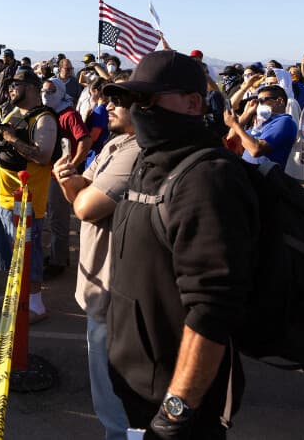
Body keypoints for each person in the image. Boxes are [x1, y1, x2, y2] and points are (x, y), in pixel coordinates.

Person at [102, 50, 256, 438]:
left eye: (149, 98)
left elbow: (211, 310)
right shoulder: (151, 163)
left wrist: (174, 415)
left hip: (178, 408)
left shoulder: (207, 178)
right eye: (133, 99)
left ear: (192, 103)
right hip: (136, 389)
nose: (139, 109)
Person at [52, 74, 139, 440]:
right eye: (108, 97)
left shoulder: (137, 152)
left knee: (119, 407)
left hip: (115, 292)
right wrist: (67, 180)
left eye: (119, 98)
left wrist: (72, 187)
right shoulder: (114, 146)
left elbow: (86, 208)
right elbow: (81, 193)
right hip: (99, 287)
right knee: (108, 398)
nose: (109, 105)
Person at [0, 68, 56, 323]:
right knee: (8, 252)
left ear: (30, 87)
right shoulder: (17, 113)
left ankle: (36, 304)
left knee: (29, 254)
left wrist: (10, 137)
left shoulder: (44, 119)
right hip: (5, 198)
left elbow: (43, 155)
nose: (10, 90)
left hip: (27, 201)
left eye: (14, 85)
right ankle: (14, 294)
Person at [40, 79, 90, 277]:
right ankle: (57, 254)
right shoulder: (48, 113)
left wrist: (73, 164)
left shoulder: (68, 114)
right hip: (48, 172)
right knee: (52, 216)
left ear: (60, 92)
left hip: (60, 175)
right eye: (43, 90)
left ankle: (58, 262)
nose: (46, 94)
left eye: (51, 90)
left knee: (58, 219)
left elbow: (85, 140)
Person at [224, 85, 298, 167]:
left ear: (279, 101)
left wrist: (234, 124)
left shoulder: (285, 121)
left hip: (263, 177)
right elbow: (232, 142)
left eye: (261, 101)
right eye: (257, 101)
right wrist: (246, 115)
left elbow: (256, 150)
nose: (258, 105)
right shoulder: (261, 122)